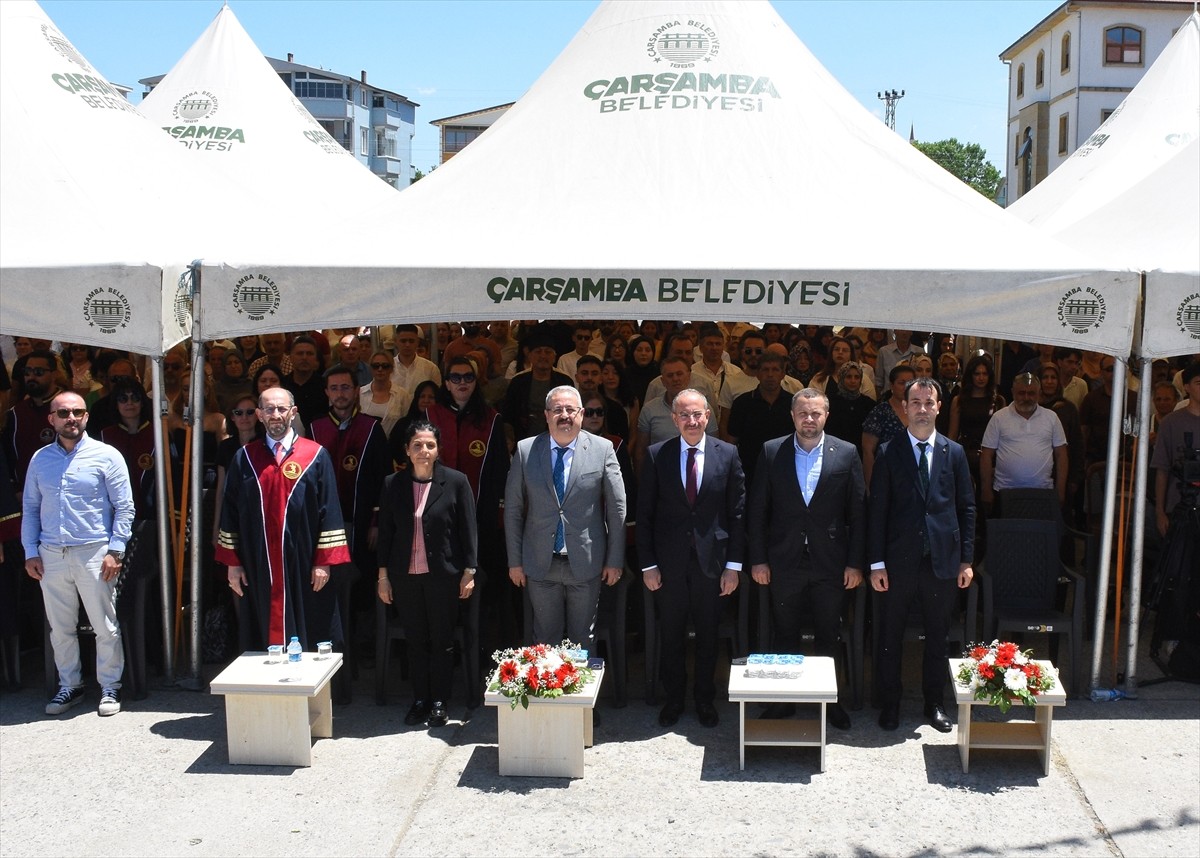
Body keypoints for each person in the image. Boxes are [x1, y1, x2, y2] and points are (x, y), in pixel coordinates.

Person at [748, 387, 865, 730]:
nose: (809, 419)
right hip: (784, 561)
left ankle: (830, 702)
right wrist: (758, 560)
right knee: (785, 633)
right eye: (803, 413)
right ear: (793, 416)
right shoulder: (772, 451)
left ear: (826, 415)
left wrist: (855, 563)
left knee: (830, 634)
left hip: (831, 562)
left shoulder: (846, 453)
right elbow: (758, 511)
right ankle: (783, 703)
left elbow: (858, 513)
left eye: (816, 413)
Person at [869, 378, 975, 733]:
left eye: (929, 403)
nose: (922, 409)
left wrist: (966, 560)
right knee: (890, 635)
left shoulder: (954, 452)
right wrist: (876, 562)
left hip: (941, 562)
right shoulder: (887, 451)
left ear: (939, 407)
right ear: (904, 407)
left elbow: (967, 508)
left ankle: (935, 704)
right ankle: (890, 704)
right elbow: (878, 511)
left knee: (937, 636)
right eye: (915, 402)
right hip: (898, 563)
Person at [23, 392, 134, 716]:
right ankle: (69, 685)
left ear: (86, 417)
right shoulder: (40, 459)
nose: (71, 417)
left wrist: (116, 550)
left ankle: (111, 686)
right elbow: (30, 508)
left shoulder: (107, 456)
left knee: (104, 625)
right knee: (60, 627)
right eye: (64, 412)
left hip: (94, 552)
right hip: (51, 553)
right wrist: (31, 551)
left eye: (78, 412)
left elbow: (124, 507)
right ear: (52, 419)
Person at [638, 389, 744, 729]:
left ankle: (703, 699)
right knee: (671, 635)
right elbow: (645, 515)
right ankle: (674, 699)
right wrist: (648, 564)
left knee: (709, 636)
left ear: (709, 416)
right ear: (674, 419)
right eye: (684, 415)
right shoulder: (657, 455)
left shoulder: (727, 454)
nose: (692, 421)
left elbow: (738, 514)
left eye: (697, 414)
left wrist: (733, 566)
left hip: (712, 564)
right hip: (668, 566)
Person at [216, 387, 351, 652]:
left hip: (305, 565)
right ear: (259, 415)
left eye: (281, 408)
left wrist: (323, 562)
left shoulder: (315, 456)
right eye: (268, 409)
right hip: (258, 565)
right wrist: (233, 563)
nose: (275, 414)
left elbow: (330, 511)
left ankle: (312, 692)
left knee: (313, 632)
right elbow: (229, 513)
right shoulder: (244, 458)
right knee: (260, 633)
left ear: (293, 412)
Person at [504, 386, 625, 654]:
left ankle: (579, 696)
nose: (565, 415)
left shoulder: (602, 449)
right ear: (546, 415)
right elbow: (513, 509)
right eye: (558, 409)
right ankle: (549, 697)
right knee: (545, 640)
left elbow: (617, 509)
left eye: (571, 409)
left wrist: (614, 560)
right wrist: (515, 561)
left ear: (581, 414)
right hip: (539, 563)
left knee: (583, 639)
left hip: (586, 562)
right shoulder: (525, 450)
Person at [377, 421, 477, 728]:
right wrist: (383, 577)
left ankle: (439, 701)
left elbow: (468, 530)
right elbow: (386, 535)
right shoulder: (393, 484)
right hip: (405, 576)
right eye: (417, 445)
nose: (424, 451)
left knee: (442, 641)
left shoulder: (456, 482)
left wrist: (469, 571)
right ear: (407, 450)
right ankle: (420, 699)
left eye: (430, 445)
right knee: (415, 640)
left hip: (443, 576)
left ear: (438, 450)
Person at [309, 365, 391, 695]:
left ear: (357, 391)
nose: (340, 394)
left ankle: (363, 648)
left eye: (346, 387)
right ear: (326, 393)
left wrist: (375, 522)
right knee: (329, 590)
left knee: (362, 591)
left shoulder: (372, 428)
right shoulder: (313, 429)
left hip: (361, 525)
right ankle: (333, 653)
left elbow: (383, 480)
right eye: (334, 388)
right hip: (324, 529)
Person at [979, 372, 1068, 517]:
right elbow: (986, 455)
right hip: (1004, 492)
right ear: (1013, 392)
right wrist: (986, 489)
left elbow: (1061, 455)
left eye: (1031, 393)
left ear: (1039, 393)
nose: (1026, 398)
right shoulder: (999, 418)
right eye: (1021, 393)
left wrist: (1061, 490)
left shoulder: (1051, 418)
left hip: (1043, 493)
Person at [724, 353, 795, 487]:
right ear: (757, 374)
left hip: (785, 471)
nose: (770, 374)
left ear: (782, 374)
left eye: (775, 370)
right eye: (765, 369)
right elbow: (732, 441)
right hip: (750, 471)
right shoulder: (742, 403)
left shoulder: (794, 403)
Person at [1152, 361, 1200, 538]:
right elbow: (1162, 470)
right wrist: (1160, 512)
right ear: (1187, 387)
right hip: (1179, 507)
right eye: (1199, 383)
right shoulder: (1171, 423)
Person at [501, 332, 573, 442]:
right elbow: (508, 415)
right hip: (522, 439)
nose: (543, 356)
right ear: (529, 356)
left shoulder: (564, 382)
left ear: (554, 357)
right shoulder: (518, 382)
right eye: (538, 352)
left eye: (548, 352)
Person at [947, 355, 1005, 489]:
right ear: (970, 375)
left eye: (985, 374)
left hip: (992, 455)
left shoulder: (998, 401)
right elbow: (952, 434)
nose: (981, 378)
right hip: (966, 453)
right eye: (977, 374)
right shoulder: (959, 400)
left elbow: (1003, 435)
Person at [861, 364, 915, 490]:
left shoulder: (920, 411)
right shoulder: (880, 412)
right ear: (891, 385)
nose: (906, 387)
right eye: (902, 383)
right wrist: (870, 486)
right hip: (886, 478)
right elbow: (868, 451)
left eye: (911, 383)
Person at [825, 361, 875, 455]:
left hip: (861, 454)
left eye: (857, 377)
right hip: (835, 453)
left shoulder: (869, 404)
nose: (853, 381)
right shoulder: (830, 403)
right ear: (841, 378)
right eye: (848, 377)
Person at [359, 349, 412, 438]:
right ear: (371, 368)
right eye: (376, 366)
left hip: (393, 446)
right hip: (366, 444)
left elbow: (406, 424)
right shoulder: (360, 393)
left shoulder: (402, 395)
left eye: (385, 366)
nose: (380, 369)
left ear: (391, 369)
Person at [625, 335, 660, 405]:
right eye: (639, 350)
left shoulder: (659, 372)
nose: (643, 353)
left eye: (647, 350)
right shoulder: (625, 374)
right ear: (633, 352)